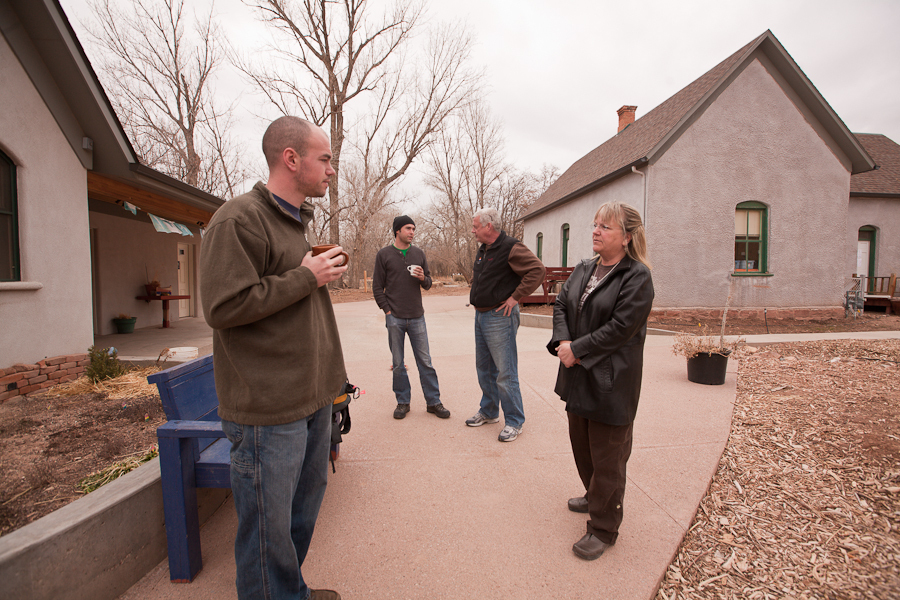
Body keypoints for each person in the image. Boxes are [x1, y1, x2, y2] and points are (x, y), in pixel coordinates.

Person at [200, 116, 346, 600]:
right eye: (323, 159)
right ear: (291, 158)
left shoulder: (294, 221)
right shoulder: (239, 219)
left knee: (299, 518)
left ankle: (289, 591)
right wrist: (305, 278)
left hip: (311, 399)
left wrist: (313, 278)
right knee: (267, 530)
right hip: (268, 409)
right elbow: (224, 307)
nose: (330, 169)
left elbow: (287, 301)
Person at [547, 201, 654, 561]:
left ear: (626, 237)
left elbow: (621, 329)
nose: (595, 230)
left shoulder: (636, 277)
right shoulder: (584, 268)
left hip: (611, 383)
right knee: (583, 447)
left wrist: (577, 348)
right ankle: (594, 497)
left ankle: (604, 528)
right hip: (578, 379)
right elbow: (561, 304)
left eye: (605, 227)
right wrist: (564, 342)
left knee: (609, 458)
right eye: (595, 225)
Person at [466, 207, 545, 442]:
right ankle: (489, 412)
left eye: (476, 226)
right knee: (485, 369)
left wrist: (515, 297)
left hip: (499, 317)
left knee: (505, 372)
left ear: (488, 226)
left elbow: (537, 270)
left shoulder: (511, 247)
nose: (473, 231)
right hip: (481, 316)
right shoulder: (484, 248)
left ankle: (514, 421)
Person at [372, 215, 450, 420]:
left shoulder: (418, 253)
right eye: (408, 228)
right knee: (398, 363)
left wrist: (424, 277)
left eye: (414, 229)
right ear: (397, 230)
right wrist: (388, 311)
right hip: (395, 317)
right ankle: (402, 402)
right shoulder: (384, 254)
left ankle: (434, 402)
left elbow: (428, 282)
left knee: (425, 361)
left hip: (417, 317)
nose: (412, 232)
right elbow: (377, 288)